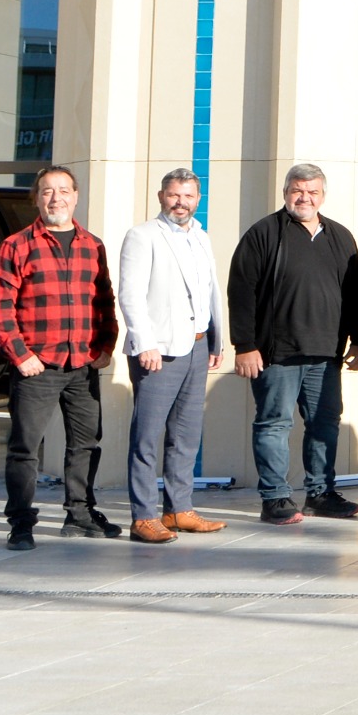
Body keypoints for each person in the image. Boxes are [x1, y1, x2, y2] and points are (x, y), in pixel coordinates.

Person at [227, 163, 358, 525]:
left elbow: (355, 292)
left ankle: (321, 494)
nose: (304, 198)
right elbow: (241, 291)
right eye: (297, 190)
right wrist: (244, 345)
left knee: (325, 424)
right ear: (286, 193)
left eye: (312, 192)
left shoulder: (339, 236)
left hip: (326, 353)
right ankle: (275, 498)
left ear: (323, 196)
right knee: (274, 424)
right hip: (277, 354)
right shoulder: (264, 233)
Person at [0, 166, 118, 549]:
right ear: (36, 198)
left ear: (75, 196)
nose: (56, 198)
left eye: (63, 190)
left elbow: (104, 300)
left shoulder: (92, 245)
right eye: (47, 191)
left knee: (85, 444)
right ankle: (21, 524)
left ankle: (79, 515)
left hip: (82, 365)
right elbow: (0, 308)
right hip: (36, 367)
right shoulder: (17, 245)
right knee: (25, 449)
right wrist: (20, 355)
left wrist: (106, 346)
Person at [118, 168, 226, 545]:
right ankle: (143, 516)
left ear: (198, 199)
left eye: (188, 196)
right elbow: (130, 294)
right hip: (158, 351)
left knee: (185, 434)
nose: (181, 202)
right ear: (161, 196)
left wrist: (215, 341)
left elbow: (209, 291)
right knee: (147, 437)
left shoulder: (200, 236)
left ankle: (179, 509)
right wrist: (144, 341)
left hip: (197, 346)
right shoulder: (142, 236)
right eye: (174, 195)